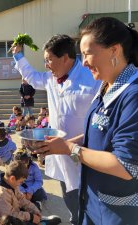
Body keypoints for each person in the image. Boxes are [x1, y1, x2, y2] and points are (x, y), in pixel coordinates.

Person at [35, 17, 138, 225]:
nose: (83, 63)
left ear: (114, 50)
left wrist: (70, 149)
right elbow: (101, 131)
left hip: (129, 212)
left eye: (87, 54)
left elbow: (128, 166)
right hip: (98, 205)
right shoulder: (107, 88)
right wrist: (57, 146)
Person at [12, 34, 100, 224]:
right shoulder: (52, 79)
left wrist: (74, 143)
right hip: (59, 154)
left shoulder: (93, 78)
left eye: (49, 60)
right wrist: (19, 56)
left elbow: (103, 122)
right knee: (69, 196)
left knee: (90, 202)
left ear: (65, 58)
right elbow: (33, 77)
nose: (46, 65)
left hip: (87, 153)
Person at [0, 161, 61, 225]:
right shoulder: (0, 195)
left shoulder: (11, 183)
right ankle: (41, 223)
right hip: (3, 221)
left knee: (34, 207)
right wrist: (31, 217)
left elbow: (22, 199)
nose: (21, 184)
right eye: (21, 182)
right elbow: (10, 216)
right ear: (12, 178)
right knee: (27, 219)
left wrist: (34, 211)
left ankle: (39, 220)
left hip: (14, 211)